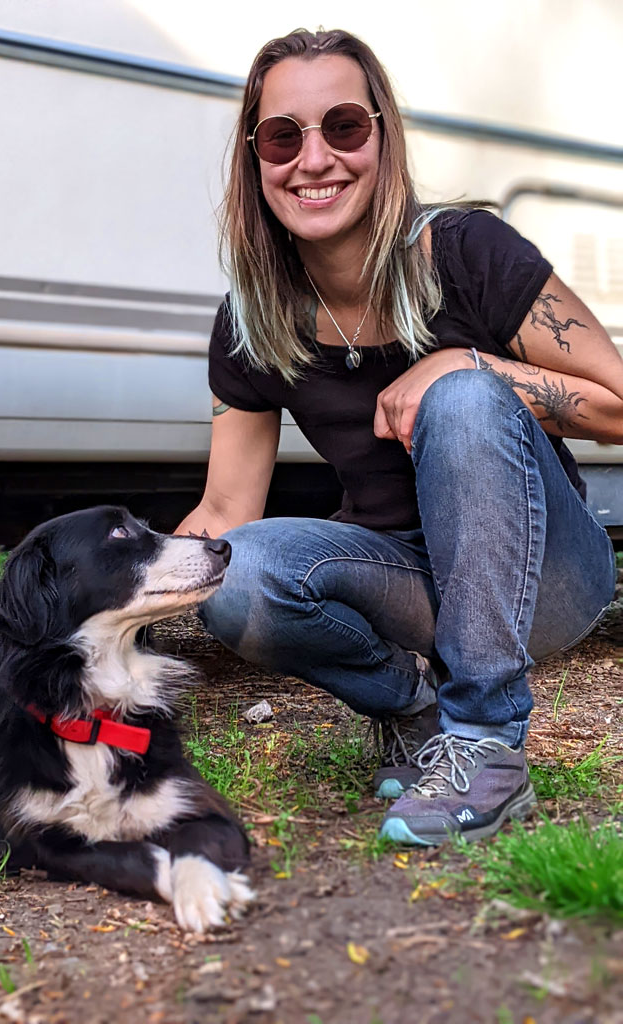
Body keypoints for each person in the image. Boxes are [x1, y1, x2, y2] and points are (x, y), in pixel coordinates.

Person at [176, 28, 622, 845]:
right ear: (255, 157)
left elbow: (619, 405)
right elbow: (225, 510)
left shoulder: (464, 252)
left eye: (343, 127)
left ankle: (485, 739)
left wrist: (466, 362)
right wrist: (102, 587)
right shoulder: (251, 316)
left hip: (544, 575)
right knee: (238, 578)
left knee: (463, 396)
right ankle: (419, 715)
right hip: (405, 582)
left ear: (382, 135)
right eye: (284, 136)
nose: (314, 160)